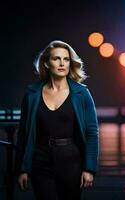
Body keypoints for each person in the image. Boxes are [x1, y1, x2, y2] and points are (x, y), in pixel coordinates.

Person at [15, 40, 99, 200]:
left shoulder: (82, 94)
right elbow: (23, 134)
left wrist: (89, 168)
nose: (62, 63)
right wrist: (22, 169)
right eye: (56, 59)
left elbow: (92, 133)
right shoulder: (31, 94)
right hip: (40, 163)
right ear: (46, 63)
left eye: (66, 59)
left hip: (72, 163)